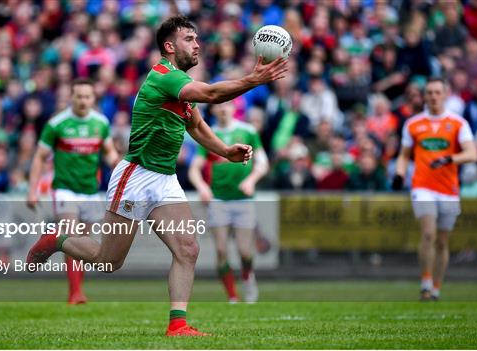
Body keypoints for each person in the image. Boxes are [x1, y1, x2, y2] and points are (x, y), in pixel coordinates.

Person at [26, 15, 287, 336]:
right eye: (189, 39)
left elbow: (197, 125)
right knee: (108, 261)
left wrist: (224, 151)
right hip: (136, 175)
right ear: (169, 46)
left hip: (164, 179)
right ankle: (58, 240)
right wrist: (253, 80)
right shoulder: (163, 76)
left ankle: (177, 324)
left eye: (197, 38)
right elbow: (211, 94)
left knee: (188, 249)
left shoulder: (178, 86)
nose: (197, 44)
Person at [26, 78, 119, 304]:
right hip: (65, 190)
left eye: (87, 96)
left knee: (81, 244)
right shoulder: (57, 124)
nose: (83, 100)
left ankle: (77, 290)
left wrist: (122, 174)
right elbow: (39, 158)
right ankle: (75, 292)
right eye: (79, 96)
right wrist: (33, 190)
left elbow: (110, 155)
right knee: (71, 236)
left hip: (90, 190)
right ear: (71, 97)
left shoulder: (100, 123)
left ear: (93, 98)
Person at [392, 77, 477, 301]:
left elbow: (472, 154)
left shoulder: (458, 123)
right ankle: (426, 284)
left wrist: (450, 158)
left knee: (442, 241)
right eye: (429, 92)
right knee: (428, 234)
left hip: (448, 189)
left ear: (445, 94)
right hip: (422, 186)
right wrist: (399, 174)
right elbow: (404, 155)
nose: (433, 96)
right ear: (424, 96)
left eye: (437, 92)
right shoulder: (413, 124)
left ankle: (437, 287)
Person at [188, 101, 269, 303]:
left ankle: (248, 280)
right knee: (222, 250)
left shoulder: (248, 131)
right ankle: (232, 296)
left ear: (234, 108)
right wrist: (202, 187)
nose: (223, 108)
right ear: (213, 109)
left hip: (243, 200)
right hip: (218, 200)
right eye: (218, 105)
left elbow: (263, 162)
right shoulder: (208, 134)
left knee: (244, 251)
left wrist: (251, 180)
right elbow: (194, 168)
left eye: (227, 104)